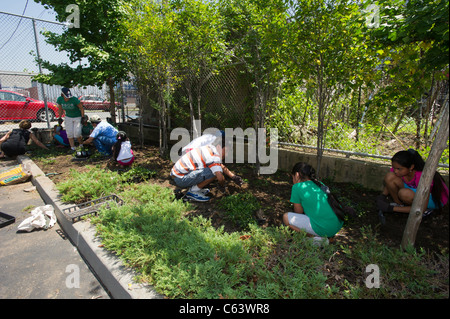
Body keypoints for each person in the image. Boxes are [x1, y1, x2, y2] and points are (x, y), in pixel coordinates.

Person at [282, 162, 345, 245]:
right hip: (336, 225)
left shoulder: (297, 187)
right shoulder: (319, 184)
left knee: (286, 217)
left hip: (324, 228)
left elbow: (298, 212)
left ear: (297, 175)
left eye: (292, 177)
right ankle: (329, 237)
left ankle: (317, 239)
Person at [377, 149, 449, 216]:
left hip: (434, 199)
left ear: (411, 167)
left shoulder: (422, 177)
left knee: (404, 193)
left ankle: (427, 210)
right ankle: (400, 205)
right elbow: (389, 180)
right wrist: (382, 196)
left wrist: (390, 208)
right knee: (390, 176)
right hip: (416, 191)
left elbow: (422, 208)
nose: (395, 171)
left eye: (399, 169)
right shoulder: (400, 171)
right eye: (394, 167)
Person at [171, 135, 243, 202]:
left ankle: (195, 188)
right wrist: (222, 186)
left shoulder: (210, 148)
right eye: (226, 151)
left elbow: (219, 165)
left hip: (177, 175)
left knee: (214, 169)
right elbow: (220, 177)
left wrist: (233, 177)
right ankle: (193, 192)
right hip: (181, 179)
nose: (226, 154)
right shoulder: (214, 156)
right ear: (218, 147)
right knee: (214, 172)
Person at [56, 88, 84, 152]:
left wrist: (82, 117)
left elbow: (81, 108)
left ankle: (81, 144)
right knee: (69, 133)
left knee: (77, 133)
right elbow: (60, 109)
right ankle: (72, 147)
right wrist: (60, 117)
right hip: (68, 117)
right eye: (66, 97)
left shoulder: (74, 99)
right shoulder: (60, 99)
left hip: (77, 117)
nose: (67, 98)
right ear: (63, 95)